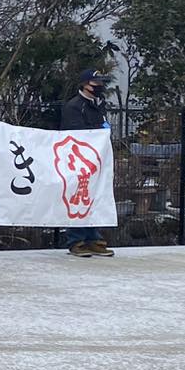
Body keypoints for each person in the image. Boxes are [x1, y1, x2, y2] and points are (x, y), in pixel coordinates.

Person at [58, 68, 115, 258]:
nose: (99, 86)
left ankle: (93, 238)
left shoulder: (98, 104)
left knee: (94, 197)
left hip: (95, 161)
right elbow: (74, 134)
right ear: (84, 84)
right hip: (78, 160)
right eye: (95, 83)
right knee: (77, 198)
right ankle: (76, 240)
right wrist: (99, 130)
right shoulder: (74, 106)